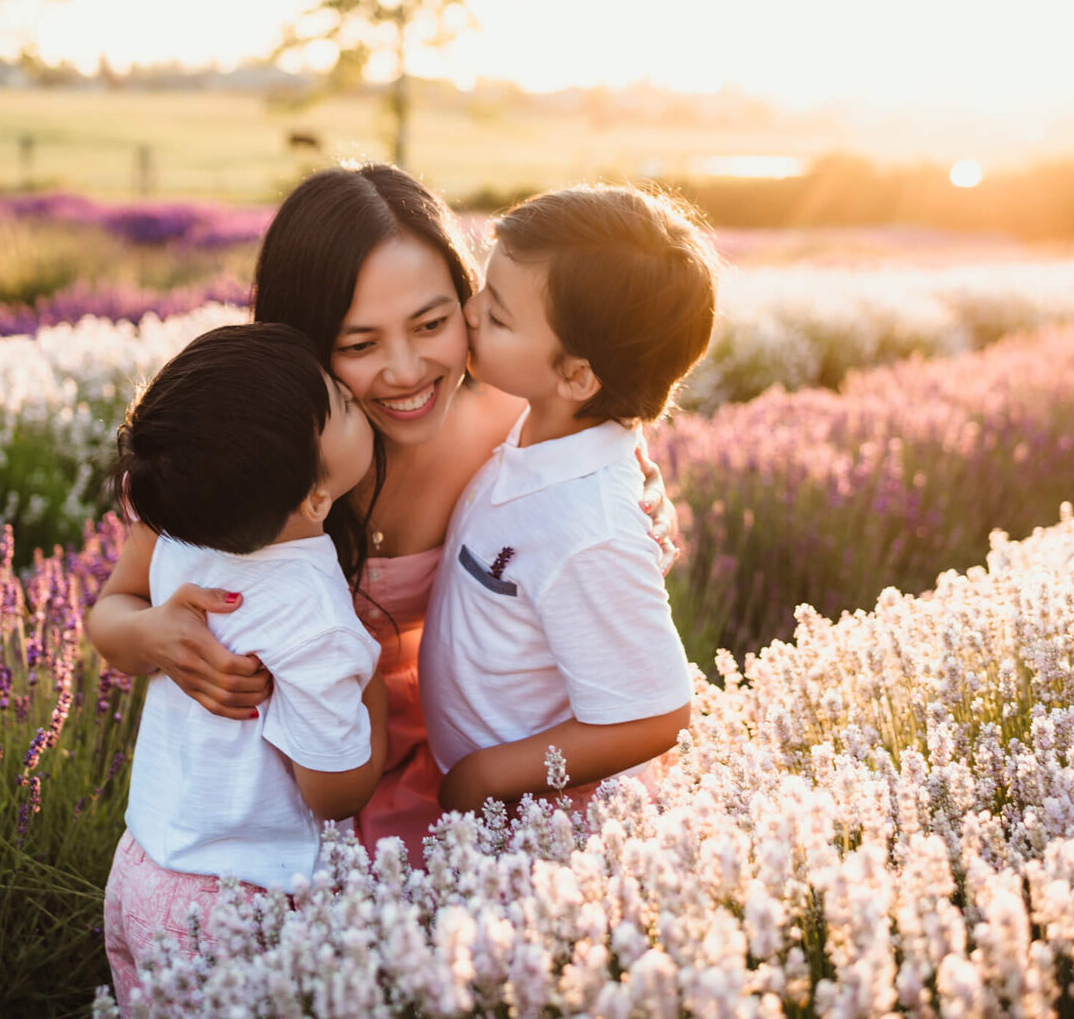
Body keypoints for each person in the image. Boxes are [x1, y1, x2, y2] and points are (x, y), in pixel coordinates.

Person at [92, 165, 679, 865]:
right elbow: (112, 614)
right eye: (360, 345)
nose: (406, 372)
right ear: (304, 341)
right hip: (286, 787)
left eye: (432, 325)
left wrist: (642, 491)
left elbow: (594, 483)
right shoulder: (253, 455)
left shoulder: (514, 429)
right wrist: (156, 636)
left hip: (457, 760)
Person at [84, 323, 388, 998]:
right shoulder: (313, 613)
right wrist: (374, 691)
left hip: (141, 867)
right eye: (340, 404)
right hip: (241, 903)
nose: (352, 394)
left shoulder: (188, 517)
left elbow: (113, 602)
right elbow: (334, 790)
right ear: (316, 498)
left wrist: (146, 624)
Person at [422, 185, 717, 811]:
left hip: (538, 823)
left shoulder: (592, 527)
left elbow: (657, 717)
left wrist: (485, 777)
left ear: (578, 375)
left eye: (498, 317)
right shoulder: (544, 421)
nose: (468, 313)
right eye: (483, 289)